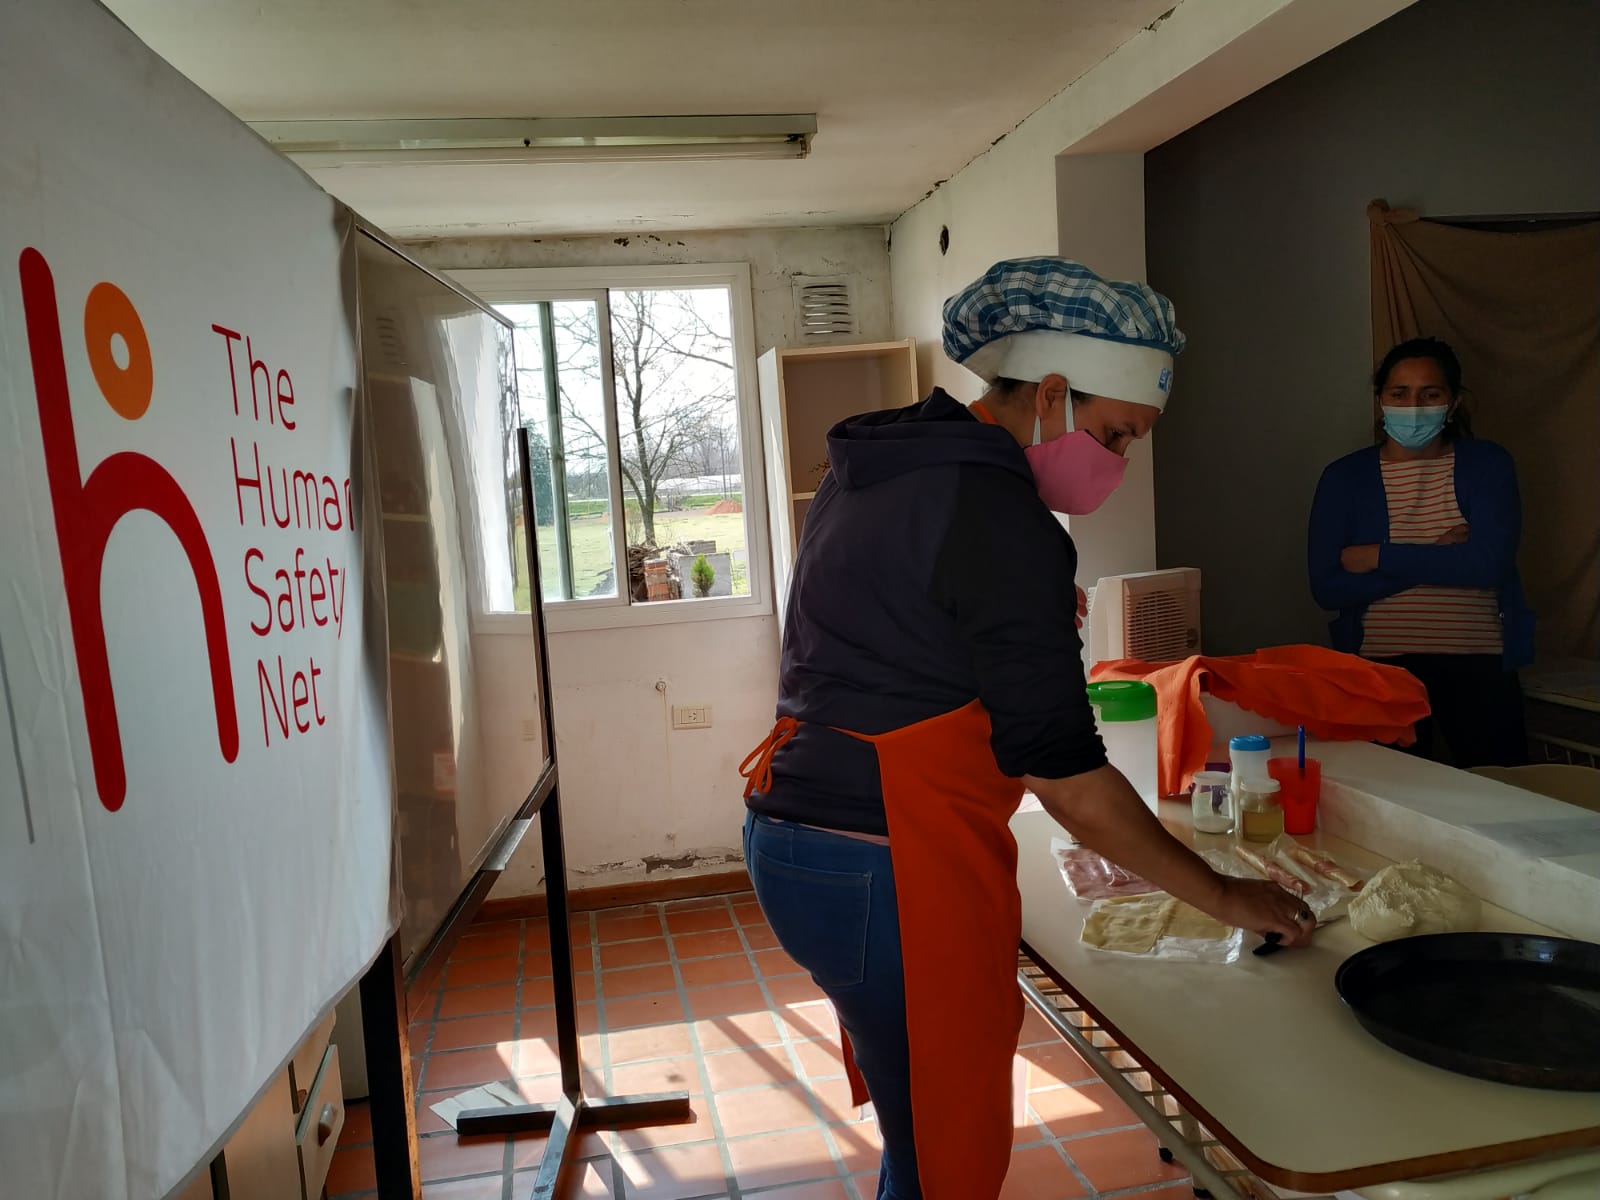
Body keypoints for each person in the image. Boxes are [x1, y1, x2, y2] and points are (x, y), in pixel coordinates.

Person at [739, 258, 1313, 1200]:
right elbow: (1065, 776)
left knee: (921, 1135)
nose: (1118, 463)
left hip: (799, 836)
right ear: (1051, 393)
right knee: (948, 1156)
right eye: (1116, 434)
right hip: (890, 857)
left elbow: (896, 641)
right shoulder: (997, 515)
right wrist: (1225, 896)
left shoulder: (885, 469)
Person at [1308, 336, 1532, 768]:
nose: (1413, 406)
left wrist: (1378, 556)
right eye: (1400, 393)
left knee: (1501, 793)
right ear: (1381, 401)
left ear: (1453, 403)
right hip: (1380, 670)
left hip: (1480, 664)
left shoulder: (1488, 464)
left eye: (1430, 394)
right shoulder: (1344, 478)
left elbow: (1488, 565)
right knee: (1391, 795)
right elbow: (1328, 588)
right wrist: (1438, 554)